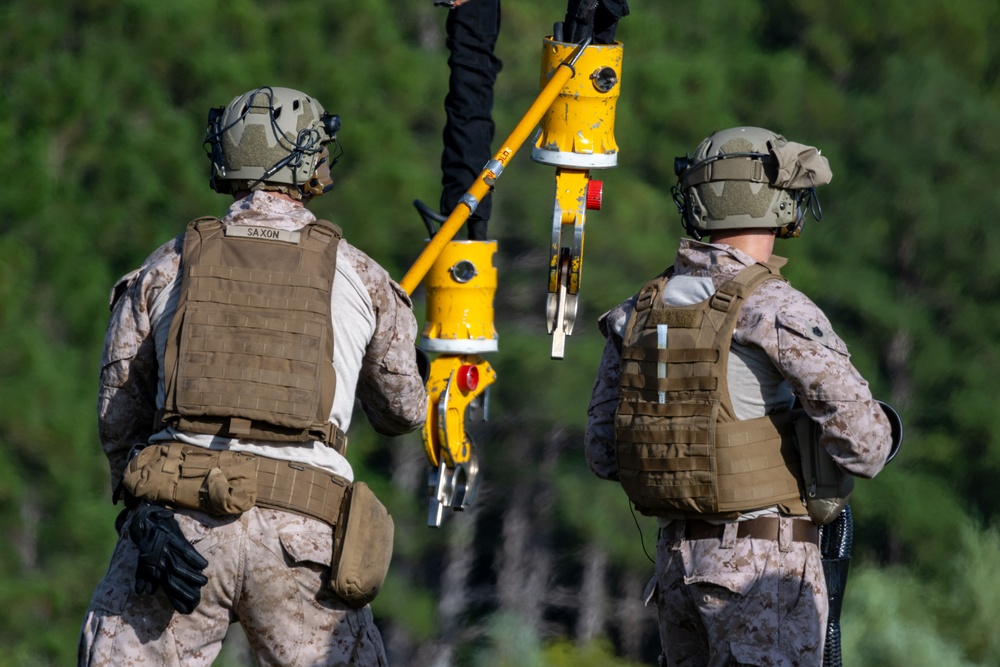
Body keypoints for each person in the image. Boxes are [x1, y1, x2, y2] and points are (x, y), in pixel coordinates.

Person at [78, 86, 427, 666]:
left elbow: (118, 414)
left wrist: (140, 510)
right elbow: (402, 412)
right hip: (304, 536)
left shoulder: (167, 265)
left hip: (179, 524)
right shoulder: (361, 274)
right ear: (310, 161)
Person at [584, 126, 893, 666]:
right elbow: (864, 445)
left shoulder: (638, 311)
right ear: (771, 201)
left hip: (676, 567)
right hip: (761, 570)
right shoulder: (774, 307)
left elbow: (602, 453)